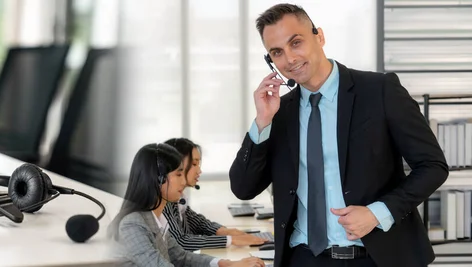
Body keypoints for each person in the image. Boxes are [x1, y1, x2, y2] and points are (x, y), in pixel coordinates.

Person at [229, 3, 448, 267]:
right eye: (277, 52)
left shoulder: (380, 91)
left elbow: (433, 166)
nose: (289, 59)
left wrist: (377, 213)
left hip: (377, 258)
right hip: (303, 259)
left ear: (319, 36)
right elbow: (243, 188)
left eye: (296, 43)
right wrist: (262, 122)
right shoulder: (280, 113)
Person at [109, 143, 265, 267]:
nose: (183, 182)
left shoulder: (157, 219)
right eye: (178, 174)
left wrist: (226, 263)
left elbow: (181, 258)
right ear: (159, 179)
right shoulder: (132, 225)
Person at [162, 138, 268, 251]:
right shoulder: (163, 201)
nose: (199, 171)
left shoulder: (177, 199)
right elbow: (181, 242)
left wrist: (227, 232)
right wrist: (230, 240)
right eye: (194, 164)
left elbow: (196, 222)